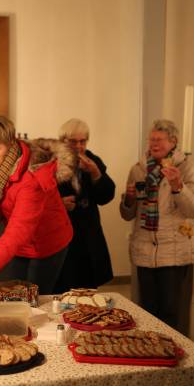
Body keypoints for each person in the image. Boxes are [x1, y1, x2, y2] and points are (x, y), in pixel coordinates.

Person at [0, 115, 75, 295]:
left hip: (47, 242)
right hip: (23, 243)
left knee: (34, 298)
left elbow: (17, 231)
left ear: (11, 144)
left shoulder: (31, 179)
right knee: (16, 293)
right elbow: (2, 195)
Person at [119, 120, 194, 336]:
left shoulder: (186, 168)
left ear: (173, 142)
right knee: (147, 312)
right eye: (151, 139)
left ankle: (172, 356)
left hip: (174, 251)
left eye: (159, 139)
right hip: (144, 250)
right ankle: (151, 357)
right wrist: (128, 200)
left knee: (171, 312)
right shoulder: (138, 169)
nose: (154, 143)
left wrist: (178, 186)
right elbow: (128, 214)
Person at [53, 118, 115, 292]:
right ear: (62, 141)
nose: (78, 146)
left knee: (88, 293)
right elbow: (38, 198)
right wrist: (58, 204)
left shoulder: (93, 161)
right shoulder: (51, 163)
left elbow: (106, 196)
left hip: (88, 238)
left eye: (83, 141)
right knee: (61, 291)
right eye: (73, 141)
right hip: (60, 239)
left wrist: (96, 173)